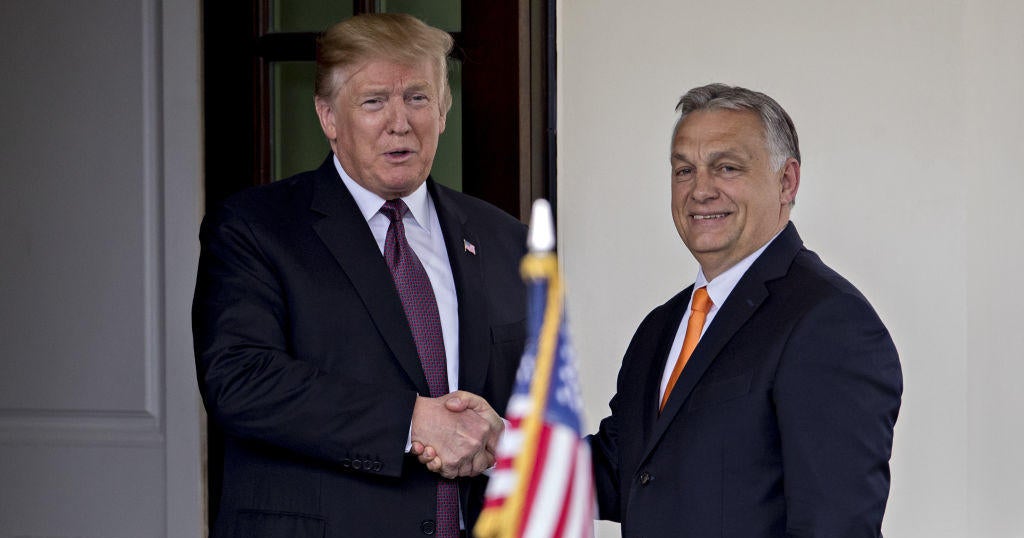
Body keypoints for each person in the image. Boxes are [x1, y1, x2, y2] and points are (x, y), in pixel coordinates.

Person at [192, 13, 527, 537]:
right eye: (374, 101)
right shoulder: (254, 228)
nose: (400, 122)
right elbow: (240, 380)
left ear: (443, 111)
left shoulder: (506, 240)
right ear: (328, 116)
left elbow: (533, 396)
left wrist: (498, 439)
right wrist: (412, 421)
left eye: (418, 98)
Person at [588, 83, 903, 537]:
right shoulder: (661, 327)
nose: (700, 190)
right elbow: (622, 470)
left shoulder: (829, 323)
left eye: (727, 168)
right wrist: (500, 445)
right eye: (684, 170)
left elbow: (834, 526)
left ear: (786, 181)